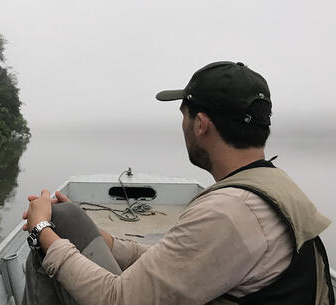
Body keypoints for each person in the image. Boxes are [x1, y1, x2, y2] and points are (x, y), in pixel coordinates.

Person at [22, 61, 334, 305]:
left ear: (201, 125)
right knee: (67, 217)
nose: (182, 125)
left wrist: (42, 232)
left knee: (49, 236)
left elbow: (116, 299)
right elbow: (183, 264)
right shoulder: (271, 184)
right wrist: (109, 243)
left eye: (184, 115)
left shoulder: (229, 213)